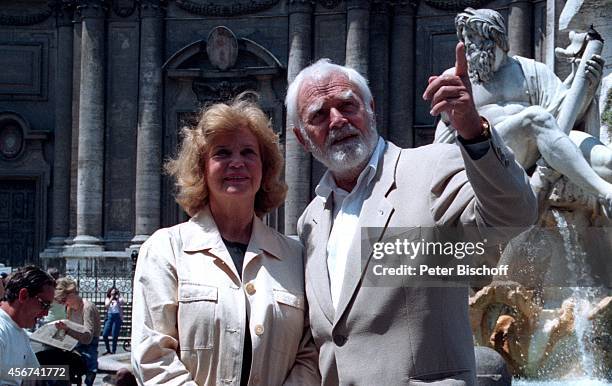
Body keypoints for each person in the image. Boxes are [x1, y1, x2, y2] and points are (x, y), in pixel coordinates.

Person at [284, 46, 538, 383]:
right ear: (302, 138)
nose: (338, 121)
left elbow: (514, 214)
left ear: (371, 109)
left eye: (348, 105)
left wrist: (474, 132)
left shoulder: (431, 167)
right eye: (319, 115)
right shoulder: (310, 222)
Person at [131, 95, 320, 385]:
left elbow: (309, 353)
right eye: (222, 153)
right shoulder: (165, 249)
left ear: (264, 168)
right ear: (201, 169)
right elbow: (153, 356)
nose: (237, 163)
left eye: (248, 152)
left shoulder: (295, 255)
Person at [434, 8, 612, 211]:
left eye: (472, 36)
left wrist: (588, 87)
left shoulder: (532, 70)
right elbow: (448, 129)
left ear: (493, 36)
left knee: (607, 162)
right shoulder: (457, 77)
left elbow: (566, 116)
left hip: (542, 146)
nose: (467, 44)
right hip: (487, 156)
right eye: (464, 38)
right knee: (535, 118)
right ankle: (605, 193)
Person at [0, 266, 55, 385]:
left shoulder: (20, 332)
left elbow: (34, 374)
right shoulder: (2, 331)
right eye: (44, 304)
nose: (45, 313)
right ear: (23, 296)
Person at [54, 277, 101, 386]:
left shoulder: (87, 308)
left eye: (64, 300)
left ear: (71, 294)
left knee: (88, 362)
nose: (63, 304)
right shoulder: (70, 308)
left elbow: (88, 338)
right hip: (76, 344)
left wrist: (67, 330)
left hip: (89, 346)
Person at [102, 286, 124, 355]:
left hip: (117, 317)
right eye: (112, 293)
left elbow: (123, 302)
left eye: (115, 293)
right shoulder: (108, 299)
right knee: (105, 334)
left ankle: (113, 351)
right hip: (109, 316)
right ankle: (108, 349)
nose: (114, 294)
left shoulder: (118, 299)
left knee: (115, 335)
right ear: (110, 293)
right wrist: (111, 298)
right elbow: (106, 306)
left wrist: (119, 296)